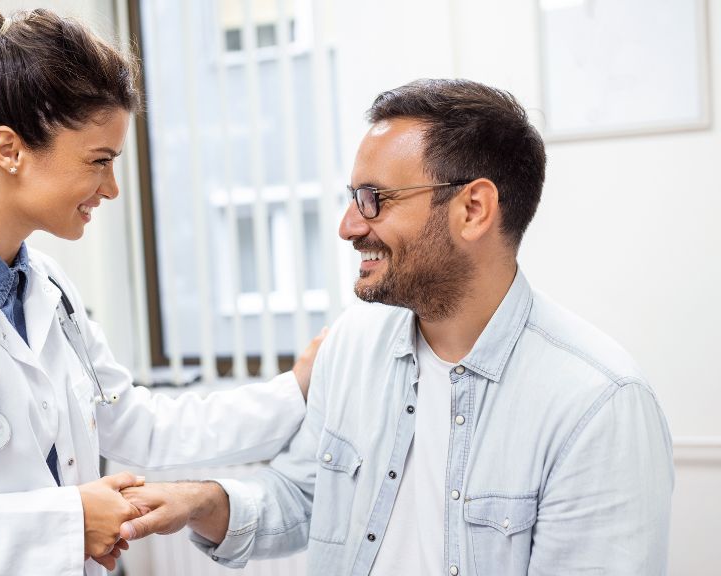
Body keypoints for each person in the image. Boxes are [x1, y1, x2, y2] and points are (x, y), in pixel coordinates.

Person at [0, 8, 324, 575]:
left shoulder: (46, 286)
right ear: (10, 150)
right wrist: (70, 520)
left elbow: (135, 423)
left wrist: (294, 390)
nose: (112, 188)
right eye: (99, 161)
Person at [118, 79, 674, 575]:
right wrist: (200, 501)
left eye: (374, 199)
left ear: (474, 209)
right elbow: (302, 496)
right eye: (352, 198)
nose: (347, 226)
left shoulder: (598, 405)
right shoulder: (352, 347)